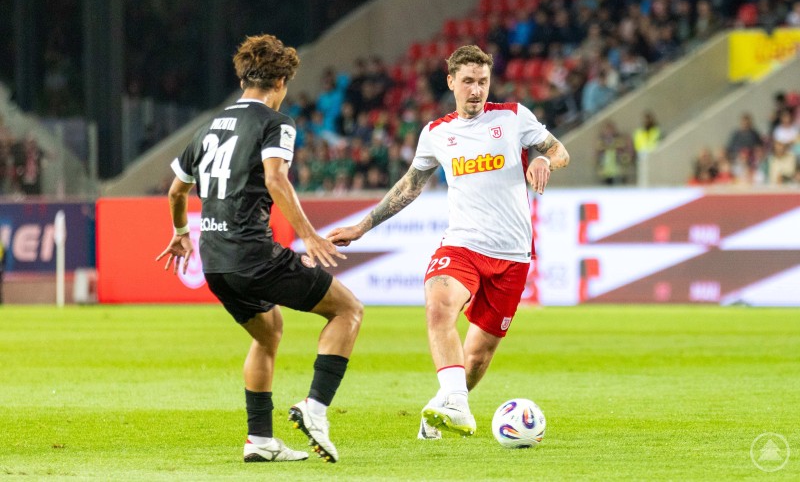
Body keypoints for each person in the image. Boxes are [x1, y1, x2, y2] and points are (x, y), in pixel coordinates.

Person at [328, 45, 569, 440]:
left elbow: (559, 151)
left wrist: (543, 160)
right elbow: (410, 185)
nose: (476, 90)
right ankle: (455, 401)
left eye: (483, 82)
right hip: (462, 244)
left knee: (478, 356)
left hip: (512, 255)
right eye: (469, 82)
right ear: (451, 82)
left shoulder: (513, 117)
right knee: (439, 304)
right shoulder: (436, 134)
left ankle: (444, 406)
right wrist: (363, 226)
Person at [156, 34, 363, 464]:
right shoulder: (276, 122)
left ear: (243, 75)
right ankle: (316, 409)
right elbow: (275, 178)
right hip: (253, 254)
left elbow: (176, 191)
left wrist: (180, 232)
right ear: (282, 80)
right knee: (348, 310)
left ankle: (260, 440)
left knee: (268, 332)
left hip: (214, 261)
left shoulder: (209, 126)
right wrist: (307, 233)